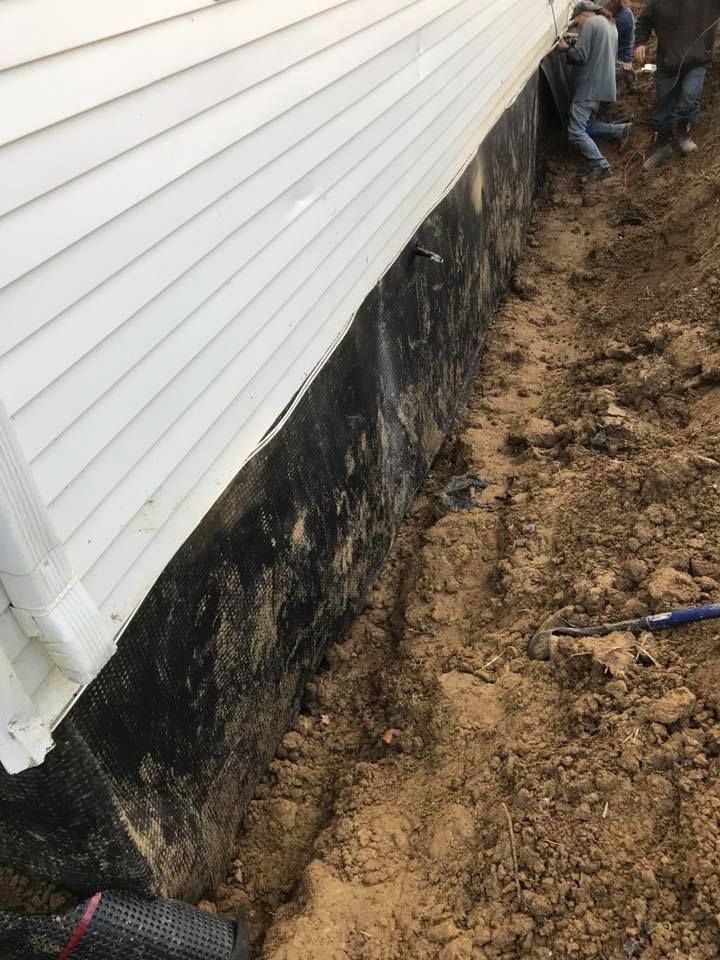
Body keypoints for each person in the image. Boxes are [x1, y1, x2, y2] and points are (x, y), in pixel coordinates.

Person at [635, 0, 720, 170]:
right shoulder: (657, 3)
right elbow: (643, 21)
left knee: (690, 94)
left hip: (697, 59)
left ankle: (684, 134)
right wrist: (640, 42)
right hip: (668, 63)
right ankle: (662, 145)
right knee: (664, 104)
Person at [558, 1, 632, 180]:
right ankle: (620, 130)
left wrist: (565, 48)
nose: (578, 26)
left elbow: (579, 55)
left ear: (583, 14)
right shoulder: (609, 23)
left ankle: (600, 164)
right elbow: (596, 48)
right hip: (605, 86)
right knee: (585, 125)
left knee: (576, 131)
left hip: (589, 86)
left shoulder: (591, 23)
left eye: (577, 23)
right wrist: (575, 40)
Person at [601, 0, 636, 92]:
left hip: (620, 62)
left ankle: (624, 77)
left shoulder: (621, 18)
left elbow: (605, 39)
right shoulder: (624, 11)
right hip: (624, 57)